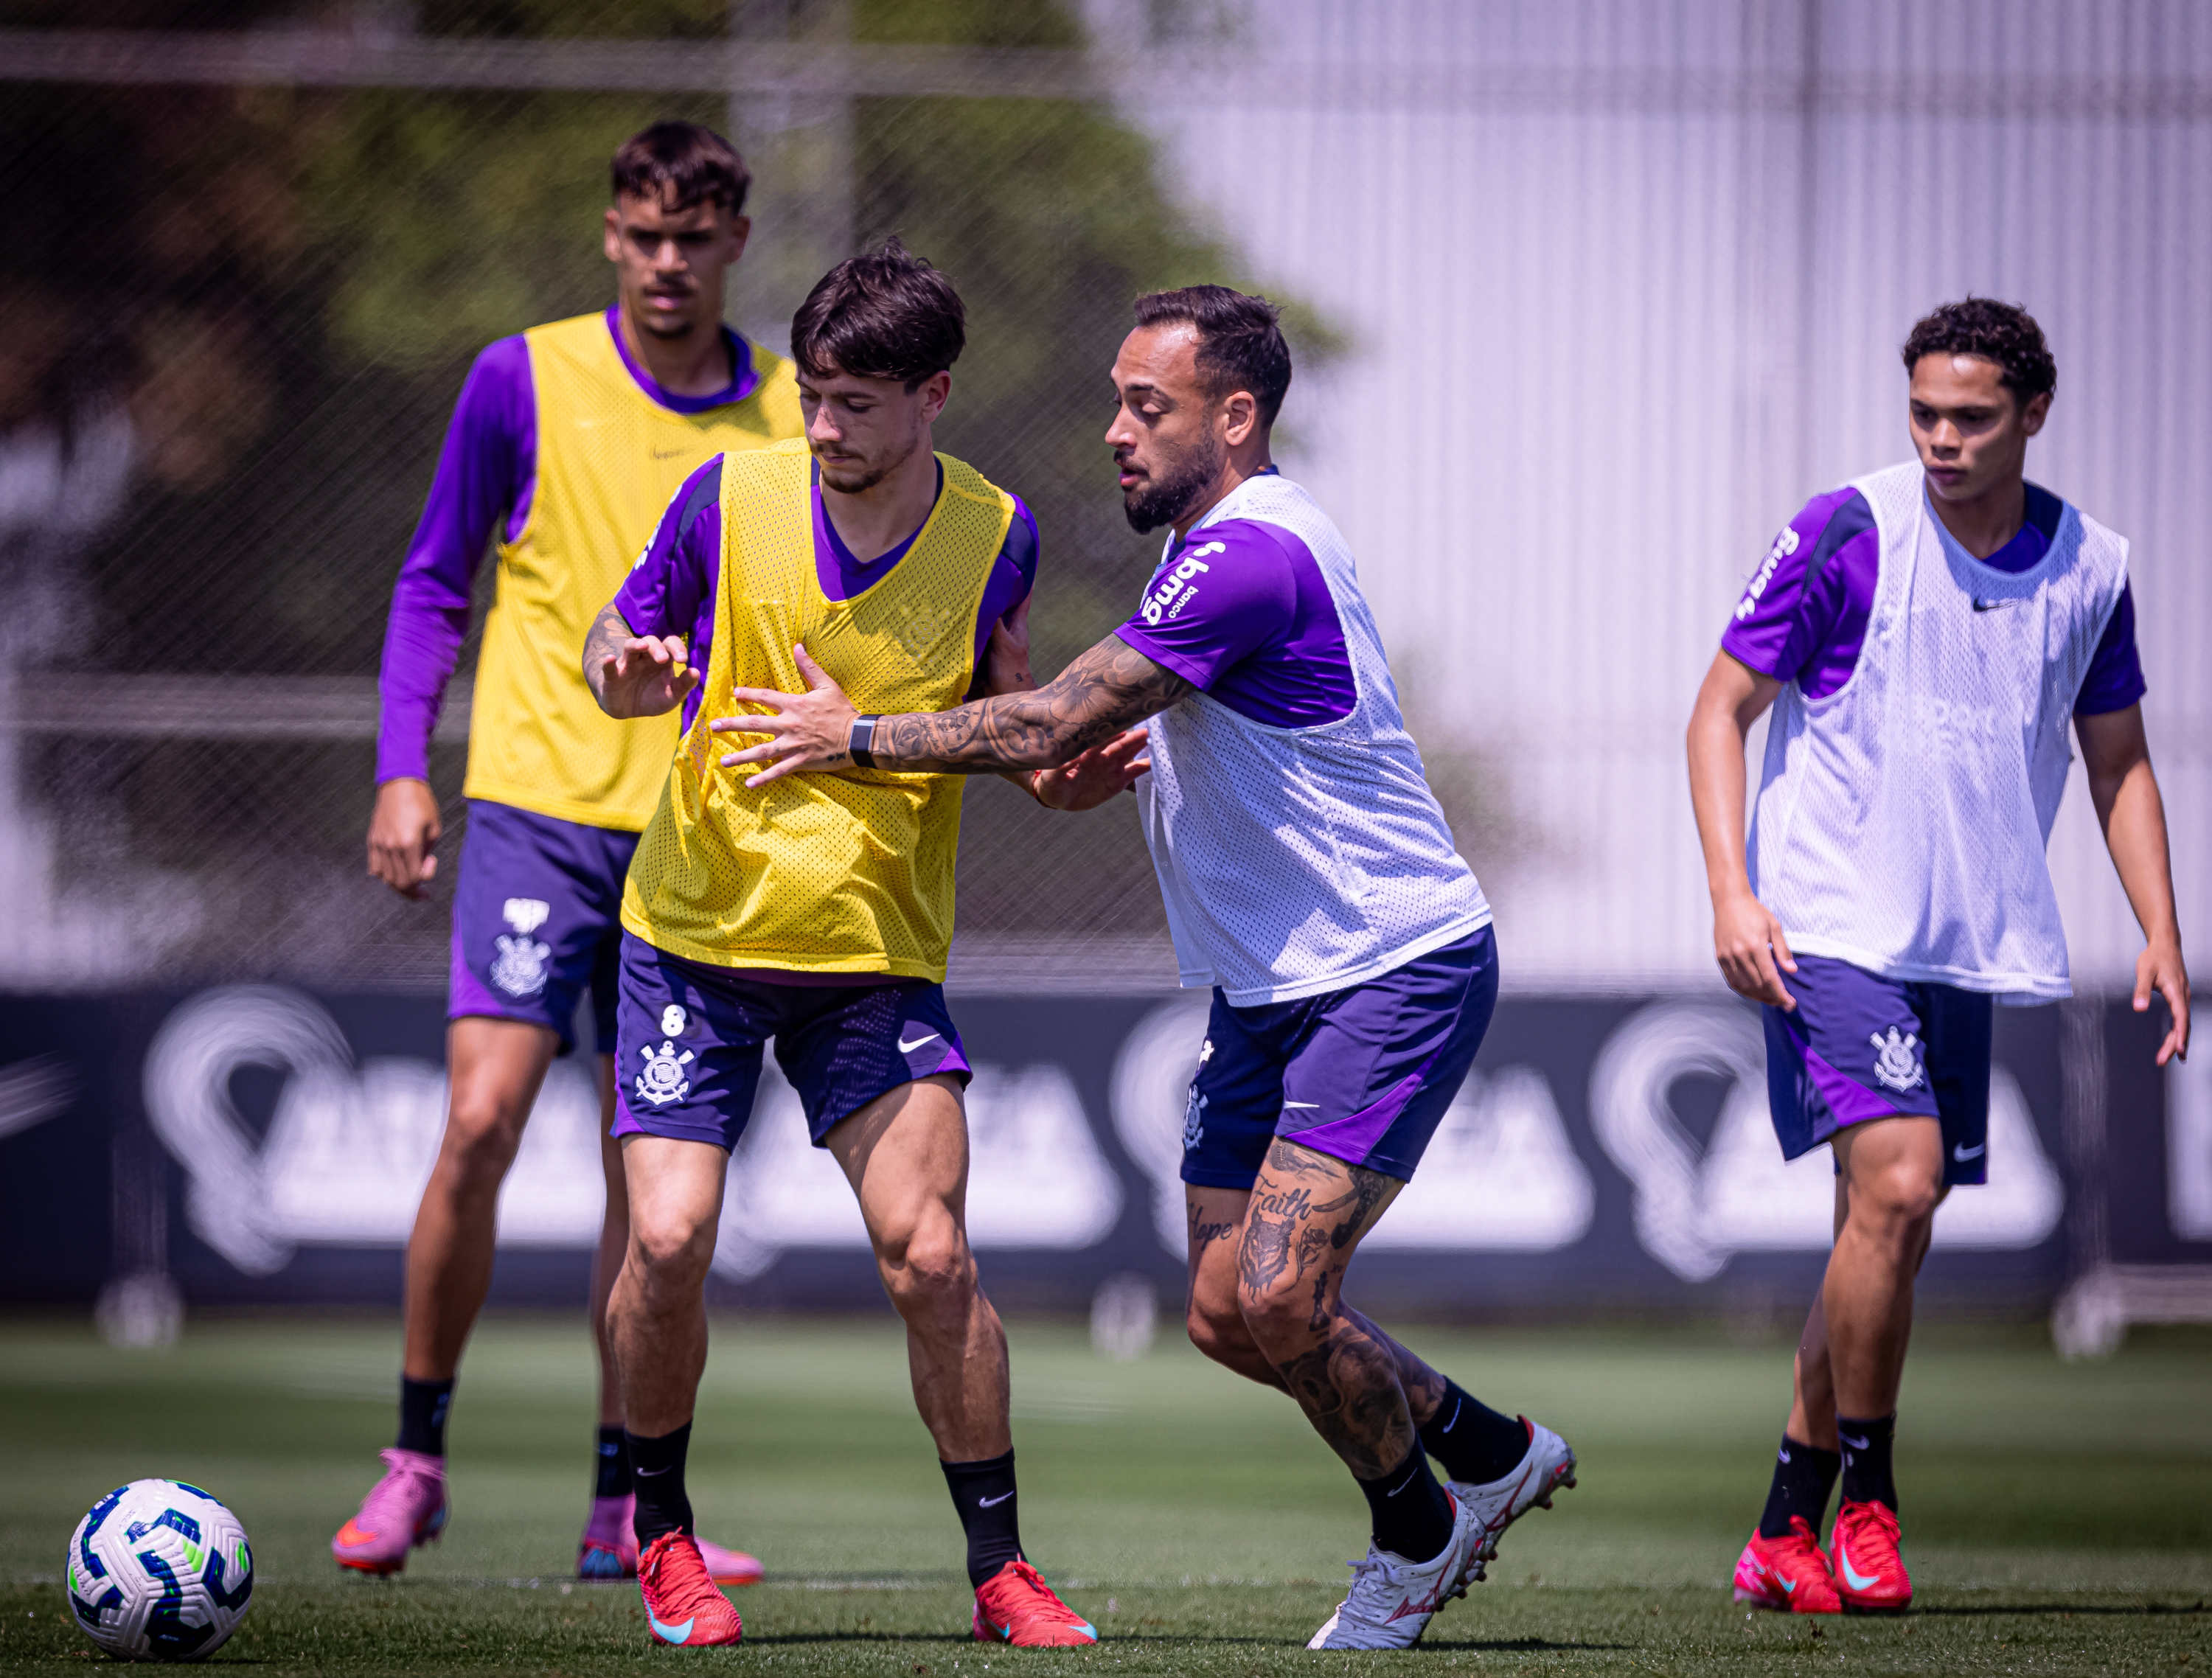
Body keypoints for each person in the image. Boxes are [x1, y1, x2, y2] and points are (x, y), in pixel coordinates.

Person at [720, 285, 1579, 1652]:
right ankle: (1487, 1450)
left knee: (1282, 1296)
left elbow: (1063, 710)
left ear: (1235, 417)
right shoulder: (1205, 552)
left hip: (1387, 965)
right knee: (1226, 1316)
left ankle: (1420, 1533)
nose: (1116, 430)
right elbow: (1081, 742)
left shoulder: (1251, 553)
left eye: (1148, 405)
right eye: (1117, 398)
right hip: (1272, 987)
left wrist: (856, 736)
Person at [580, 239, 1115, 1651]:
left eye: (858, 404)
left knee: (931, 1258)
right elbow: (614, 649)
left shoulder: (998, 533)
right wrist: (626, 672)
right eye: (813, 395)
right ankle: (663, 1536)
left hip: (873, 952)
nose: (823, 428)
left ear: (933, 394)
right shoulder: (730, 496)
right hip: (692, 935)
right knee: (673, 1235)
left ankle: (1002, 1571)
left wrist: (1066, 775)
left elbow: (1010, 716)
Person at [338, 121, 799, 1584]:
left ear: (734, 241)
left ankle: (624, 1505)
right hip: (536, 811)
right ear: (612, 235)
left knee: (645, 1179)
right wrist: (403, 770)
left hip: (695, 835)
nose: (669, 262)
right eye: (644, 234)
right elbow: (432, 579)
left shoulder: (795, 410)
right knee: (480, 1122)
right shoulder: (519, 376)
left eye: (696, 236)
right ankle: (416, 1459)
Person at [1685, 297, 2190, 1615]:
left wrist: (2164, 931)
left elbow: (2119, 758)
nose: (1943, 440)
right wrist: (1733, 893)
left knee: (1883, 1232)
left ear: (2035, 411)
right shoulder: (1848, 528)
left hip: (1962, 945)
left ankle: (1785, 1529)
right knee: (1901, 1189)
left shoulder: (2090, 564)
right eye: (1924, 414)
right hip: (1826, 923)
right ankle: (1872, 1507)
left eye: (1972, 417)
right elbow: (1719, 710)